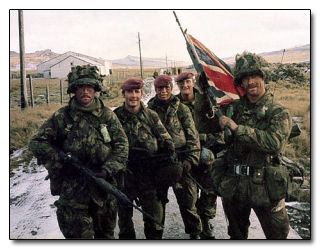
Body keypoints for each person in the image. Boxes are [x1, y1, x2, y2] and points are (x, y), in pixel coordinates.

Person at [29, 65, 129, 239]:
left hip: (103, 190)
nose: (85, 92)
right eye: (81, 88)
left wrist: (108, 169)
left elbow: (122, 146)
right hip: (72, 191)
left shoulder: (108, 116)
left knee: (105, 236)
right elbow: (37, 142)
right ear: (73, 90)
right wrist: (60, 163)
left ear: (95, 89)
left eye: (89, 88)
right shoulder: (61, 117)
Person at [211, 51, 292, 239]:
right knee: (237, 236)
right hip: (236, 186)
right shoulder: (233, 107)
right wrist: (200, 95)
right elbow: (204, 125)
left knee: (277, 236)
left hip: (265, 187)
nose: (250, 82)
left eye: (255, 76)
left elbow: (274, 143)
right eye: (245, 78)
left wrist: (237, 128)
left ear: (263, 78)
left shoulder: (278, 110)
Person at [114, 78, 176, 239]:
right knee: (125, 221)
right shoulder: (114, 117)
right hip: (124, 175)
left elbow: (167, 139)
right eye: (129, 92)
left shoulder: (151, 116)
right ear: (123, 94)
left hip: (149, 175)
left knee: (154, 219)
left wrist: (166, 153)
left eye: (137, 92)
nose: (133, 96)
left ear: (142, 94)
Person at [147, 74, 202, 239]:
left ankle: (195, 234)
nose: (163, 91)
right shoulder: (148, 111)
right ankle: (155, 237)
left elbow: (193, 138)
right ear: (155, 90)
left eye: (166, 88)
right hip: (159, 163)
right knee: (156, 203)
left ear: (171, 88)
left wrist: (189, 161)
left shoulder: (182, 109)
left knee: (188, 203)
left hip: (181, 159)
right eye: (160, 89)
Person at [175, 71, 218, 239]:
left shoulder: (206, 101)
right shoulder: (175, 105)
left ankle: (206, 222)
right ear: (177, 86)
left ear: (193, 82)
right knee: (188, 195)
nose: (185, 86)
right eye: (181, 83)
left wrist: (208, 138)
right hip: (185, 155)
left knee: (209, 191)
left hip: (208, 154)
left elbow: (216, 126)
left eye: (188, 82)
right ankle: (194, 229)